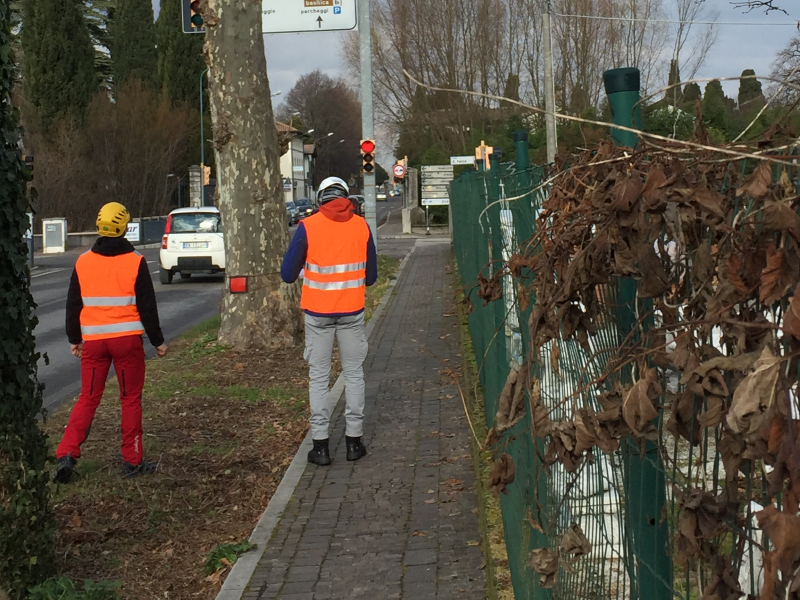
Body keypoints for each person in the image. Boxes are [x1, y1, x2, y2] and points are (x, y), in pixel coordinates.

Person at [54, 202, 168, 483]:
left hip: (94, 342)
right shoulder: (136, 261)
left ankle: (66, 454)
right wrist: (158, 341)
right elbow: (147, 307)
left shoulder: (83, 262)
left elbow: (72, 304)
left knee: (88, 397)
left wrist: (74, 339)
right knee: (130, 399)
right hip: (127, 342)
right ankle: (133, 461)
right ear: (125, 227)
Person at [281, 177, 377, 466]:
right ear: (346, 198)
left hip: (317, 314)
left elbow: (287, 274)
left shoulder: (307, 227)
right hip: (352, 312)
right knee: (354, 374)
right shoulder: (361, 226)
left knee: (319, 378)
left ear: (319, 199)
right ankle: (354, 442)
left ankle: (320, 447)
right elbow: (370, 277)